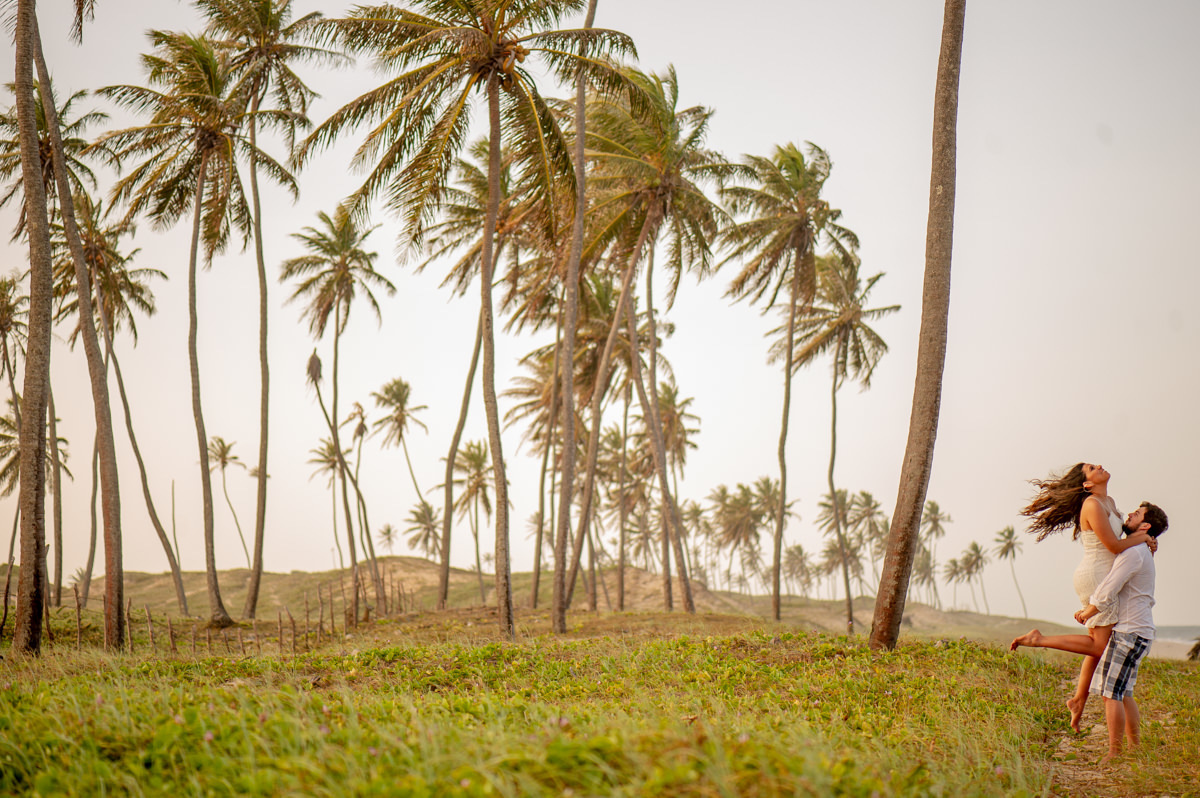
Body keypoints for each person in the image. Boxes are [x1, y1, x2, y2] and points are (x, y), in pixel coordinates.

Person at [1011, 463, 1153, 731]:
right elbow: (1113, 545)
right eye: (1091, 468)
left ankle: (1078, 699)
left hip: (1103, 575)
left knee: (1096, 645)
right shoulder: (1091, 505)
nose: (1099, 466)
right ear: (1087, 484)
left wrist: (1144, 538)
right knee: (1098, 646)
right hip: (1096, 577)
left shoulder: (1107, 501)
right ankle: (1038, 639)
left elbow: (1122, 539)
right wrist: (1143, 538)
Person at [1075, 501, 1166, 763]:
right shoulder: (1141, 550)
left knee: (1110, 693)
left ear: (1145, 525)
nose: (1130, 515)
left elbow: (1111, 585)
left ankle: (1115, 753)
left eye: (1136, 514)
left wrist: (1089, 611)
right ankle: (1135, 749)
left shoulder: (1134, 551)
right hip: (1139, 630)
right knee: (1124, 692)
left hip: (1130, 632)